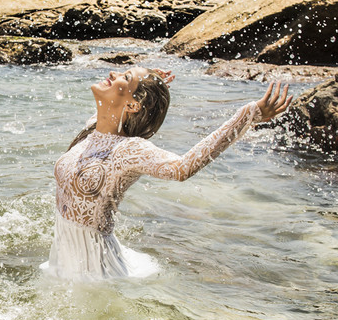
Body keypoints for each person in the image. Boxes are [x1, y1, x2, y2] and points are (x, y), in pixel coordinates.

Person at [46, 67, 291, 280]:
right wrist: (150, 78)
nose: (112, 73)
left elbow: (181, 168)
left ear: (132, 105)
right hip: (64, 256)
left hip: (95, 269)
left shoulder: (129, 149)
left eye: (125, 76)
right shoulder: (94, 128)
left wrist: (246, 116)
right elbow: (123, 104)